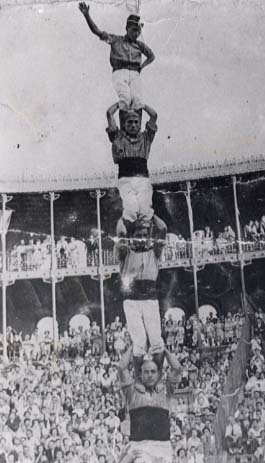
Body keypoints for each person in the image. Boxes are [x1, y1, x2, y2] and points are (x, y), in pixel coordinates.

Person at [118, 345, 181, 463]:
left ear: (158, 373)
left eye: (153, 371)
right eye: (146, 372)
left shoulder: (165, 390)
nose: (150, 375)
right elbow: (121, 367)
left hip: (163, 447)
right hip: (139, 448)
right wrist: (133, 346)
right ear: (140, 373)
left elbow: (177, 368)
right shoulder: (132, 391)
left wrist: (163, 349)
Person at [78, 3, 155, 115]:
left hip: (134, 73)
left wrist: (142, 66)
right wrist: (86, 15)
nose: (136, 33)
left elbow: (151, 56)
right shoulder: (115, 40)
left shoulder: (139, 45)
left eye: (139, 31)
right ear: (127, 28)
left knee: (138, 101)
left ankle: (136, 130)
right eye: (134, 30)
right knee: (125, 99)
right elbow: (97, 31)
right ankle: (123, 131)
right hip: (120, 72)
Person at [115, 218, 167, 375]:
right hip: (131, 300)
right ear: (133, 237)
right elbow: (121, 233)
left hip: (150, 299)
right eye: (138, 235)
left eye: (145, 235)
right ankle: (138, 376)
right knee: (140, 342)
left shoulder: (154, 252)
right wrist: (126, 215)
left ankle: (157, 375)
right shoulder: (125, 253)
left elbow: (163, 228)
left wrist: (150, 215)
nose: (142, 238)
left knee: (156, 341)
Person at [107, 102, 159, 234]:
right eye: (129, 122)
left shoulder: (146, 138)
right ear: (124, 124)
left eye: (136, 122)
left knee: (145, 211)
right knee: (130, 210)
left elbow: (154, 115)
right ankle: (126, 235)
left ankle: (146, 238)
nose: (133, 125)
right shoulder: (118, 138)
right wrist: (120, 103)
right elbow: (109, 113)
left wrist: (142, 104)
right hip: (125, 180)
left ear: (140, 124)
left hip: (143, 180)